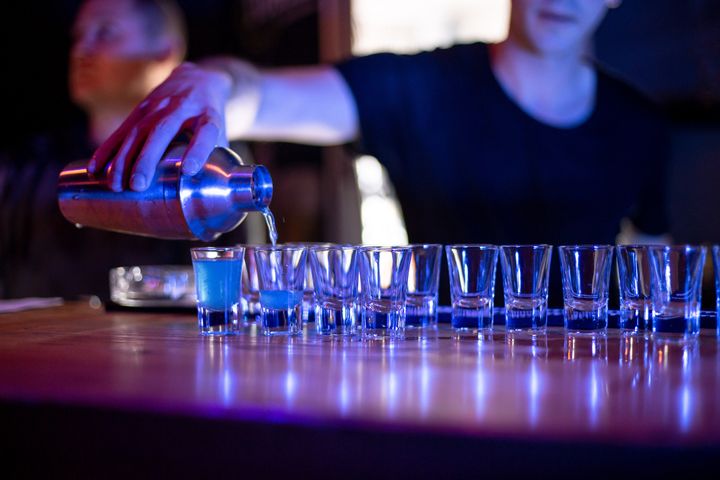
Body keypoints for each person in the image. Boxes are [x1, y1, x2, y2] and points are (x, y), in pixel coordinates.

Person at [90, 0, 670, 305]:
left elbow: (657, 277)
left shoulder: (640, 125)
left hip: (588, 387)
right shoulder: (421, 88)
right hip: (442, 382)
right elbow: (260, 94)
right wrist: (215, 84)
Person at [0, 0, 209, 299]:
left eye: (105, 33)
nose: (80, 50)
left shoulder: (200, 165)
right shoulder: (25, 164)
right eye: (78, 37)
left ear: (165, 54)